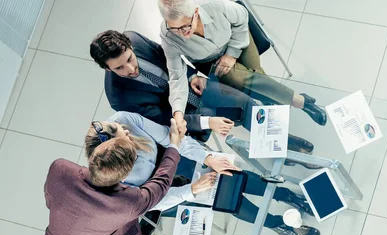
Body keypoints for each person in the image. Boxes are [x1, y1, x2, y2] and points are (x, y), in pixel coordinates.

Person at [85, 112, 321, 235]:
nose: (123, 128)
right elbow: (154, 201)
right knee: (230, 200)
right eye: (120, 133)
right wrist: (191, 190)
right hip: (172, 187)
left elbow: (172, 138)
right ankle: (276, 224)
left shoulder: (124, 120)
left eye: (115, 126)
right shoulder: (117, 180)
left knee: (237, 175)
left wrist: (207, 158)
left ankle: (289, 196)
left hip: (182, 156)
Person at [38, 118, 208, 235]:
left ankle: (133, 233)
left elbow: (50, 200)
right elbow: (160, 183)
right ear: (126, 175)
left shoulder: (59, 169)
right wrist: (174, 145)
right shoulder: (128, 203)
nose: (128, 132)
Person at [90, 30, 313, 154]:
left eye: (129, 59)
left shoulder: (135, 39)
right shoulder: (119, 98)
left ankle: (284, 140)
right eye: (119, 68)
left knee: (246, 105)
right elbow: (167, 122)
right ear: (106, 68)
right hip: (186, 115)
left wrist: (192, 76)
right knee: (232, 113)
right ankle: (283, 147)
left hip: (194, 87)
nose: (130, 69)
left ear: (130, 46)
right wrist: (206, 122)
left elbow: (170, 57)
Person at [157, 0, 327, 136]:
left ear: (195, 12)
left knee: (245, 79)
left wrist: (232, 54)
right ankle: (298, 101)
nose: (182, 33)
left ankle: (289, 102)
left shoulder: (215, 6)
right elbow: (176, 76)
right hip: (209, 61)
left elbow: (242, 16)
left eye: (186, 26)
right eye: (175, 28)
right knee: (241, 77)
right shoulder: (168, 36)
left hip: (237, 42)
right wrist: (177, 111)